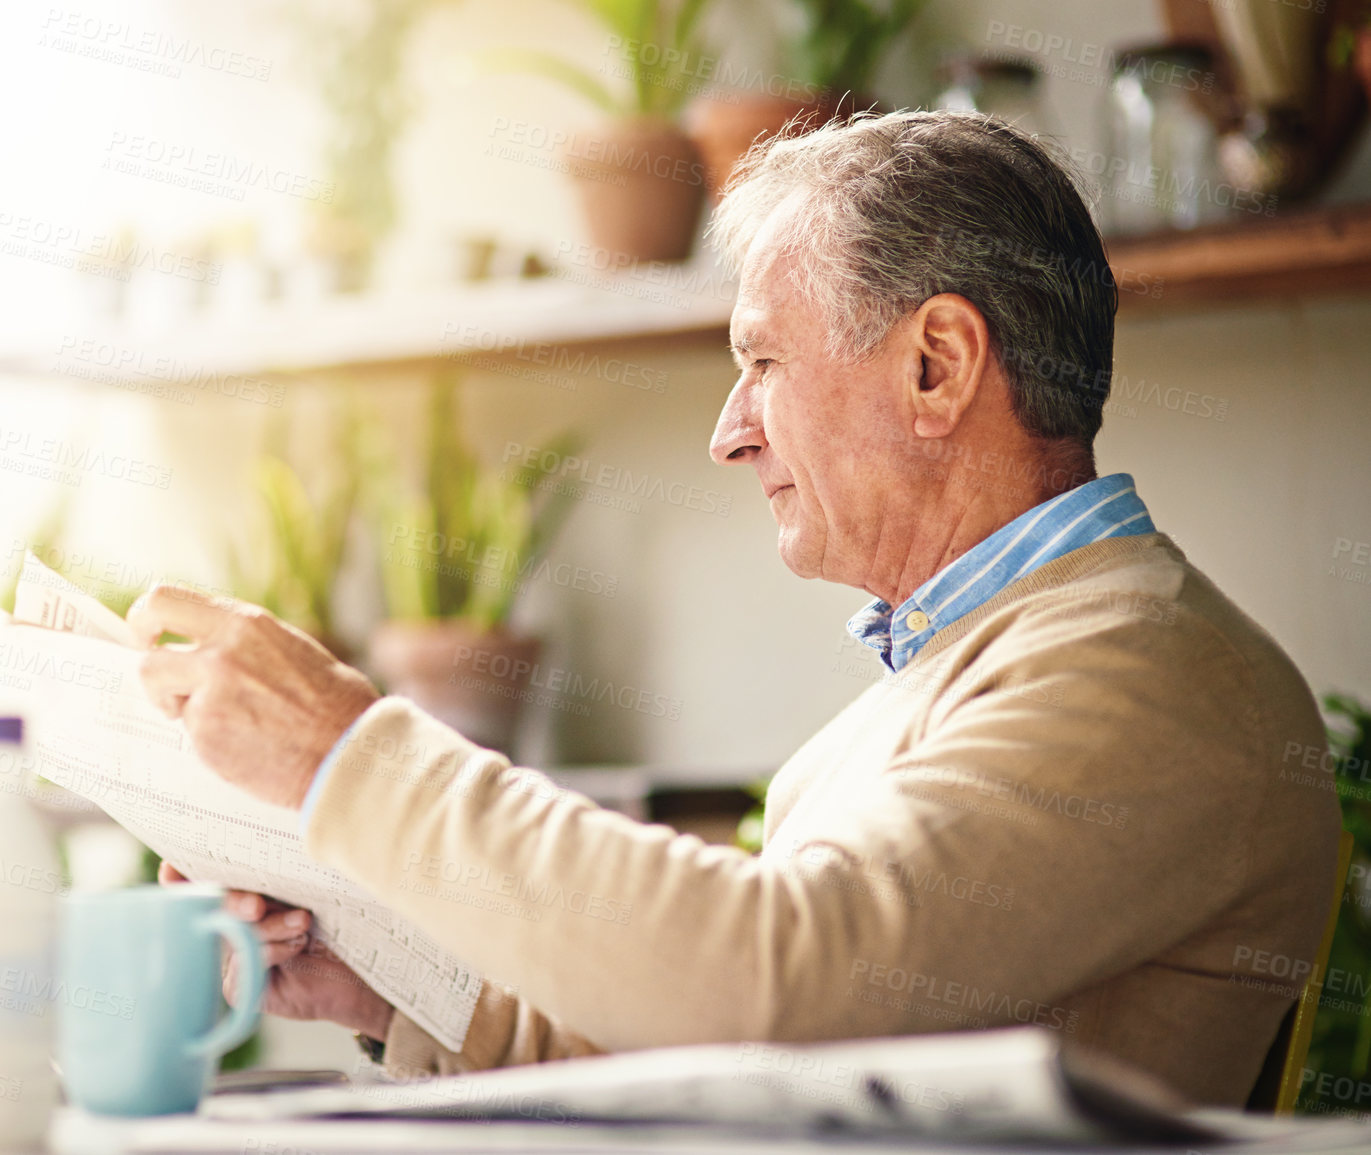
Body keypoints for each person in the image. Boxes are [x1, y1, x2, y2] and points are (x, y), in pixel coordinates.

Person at [137, 110, 1341, 1107]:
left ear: (937, 365)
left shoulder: (1147, 671)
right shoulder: (951, 683)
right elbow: (706, 1053)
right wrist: (375, 970)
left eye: (762, 362)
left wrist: (350, 755)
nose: (731, 431)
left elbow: (777, 980)